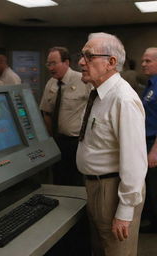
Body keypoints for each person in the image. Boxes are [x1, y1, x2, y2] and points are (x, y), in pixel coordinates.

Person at [76, 32, 147, 256]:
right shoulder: (98, 94)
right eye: (82, 55)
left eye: (88, 56)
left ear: (111, 63)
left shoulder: (123, 99)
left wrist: (125, 211)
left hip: (114, 191)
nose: (80, 62)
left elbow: (135, 161)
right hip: (96, 186)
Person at [39, 46, 91, 186]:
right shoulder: (51, 83)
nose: (50, 67)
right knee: (57, 180)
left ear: (66, 63)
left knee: (75, 181)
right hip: (56, 141)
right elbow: (46, 112)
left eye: (54, 63)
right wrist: (50, 139)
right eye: (48, 64)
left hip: (75, 143)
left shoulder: (83, 80)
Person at [141, 47, 157, 232]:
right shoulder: (150, 84)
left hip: (153, 143)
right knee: (149, 186)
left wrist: (154, 151)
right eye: (143, 60)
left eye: (148, 61)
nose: (143, 64)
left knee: (154, 187)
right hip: (145, 141)